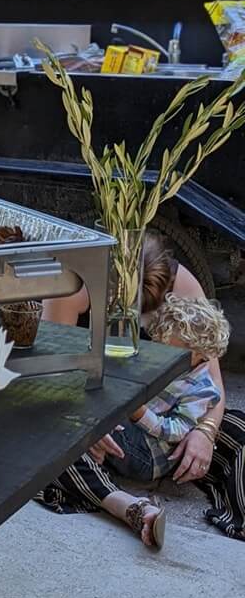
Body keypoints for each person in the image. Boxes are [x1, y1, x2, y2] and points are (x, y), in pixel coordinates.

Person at [39, 232, 245, 543]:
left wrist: (205, 433)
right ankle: (127, 507)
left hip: (165, 418)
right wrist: (84, 420)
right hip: (98, 413)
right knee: (43, 438)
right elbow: (52, 379)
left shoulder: (181, 284)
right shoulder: (71, 284)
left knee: (239, 429)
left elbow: (212, 383)